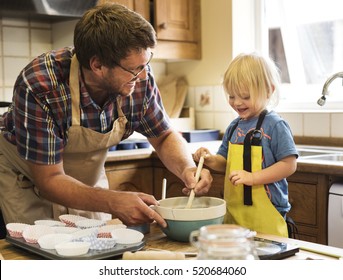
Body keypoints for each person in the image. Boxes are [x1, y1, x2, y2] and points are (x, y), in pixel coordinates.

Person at [0, 3, 212, 228]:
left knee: (97, 251)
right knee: (39, 255)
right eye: (134, 70)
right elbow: (49, 180)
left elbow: (164, 136)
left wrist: (187, 168)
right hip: (28, 179)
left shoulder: (139, 78)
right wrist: (112, 201)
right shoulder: (41, 85)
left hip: (86, 183)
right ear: (97, 65)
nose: (142, 77)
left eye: (145, 65)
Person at [193, 53, 298, 237]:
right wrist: (209, 159)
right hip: (236, 213)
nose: (237, 102)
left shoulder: (275, 125)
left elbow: (289, 165)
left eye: (245, 96)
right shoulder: (234, 126)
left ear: (268, 91)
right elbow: (225, 162)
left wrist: (253, 178)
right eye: (232, 96)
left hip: (269, 216)